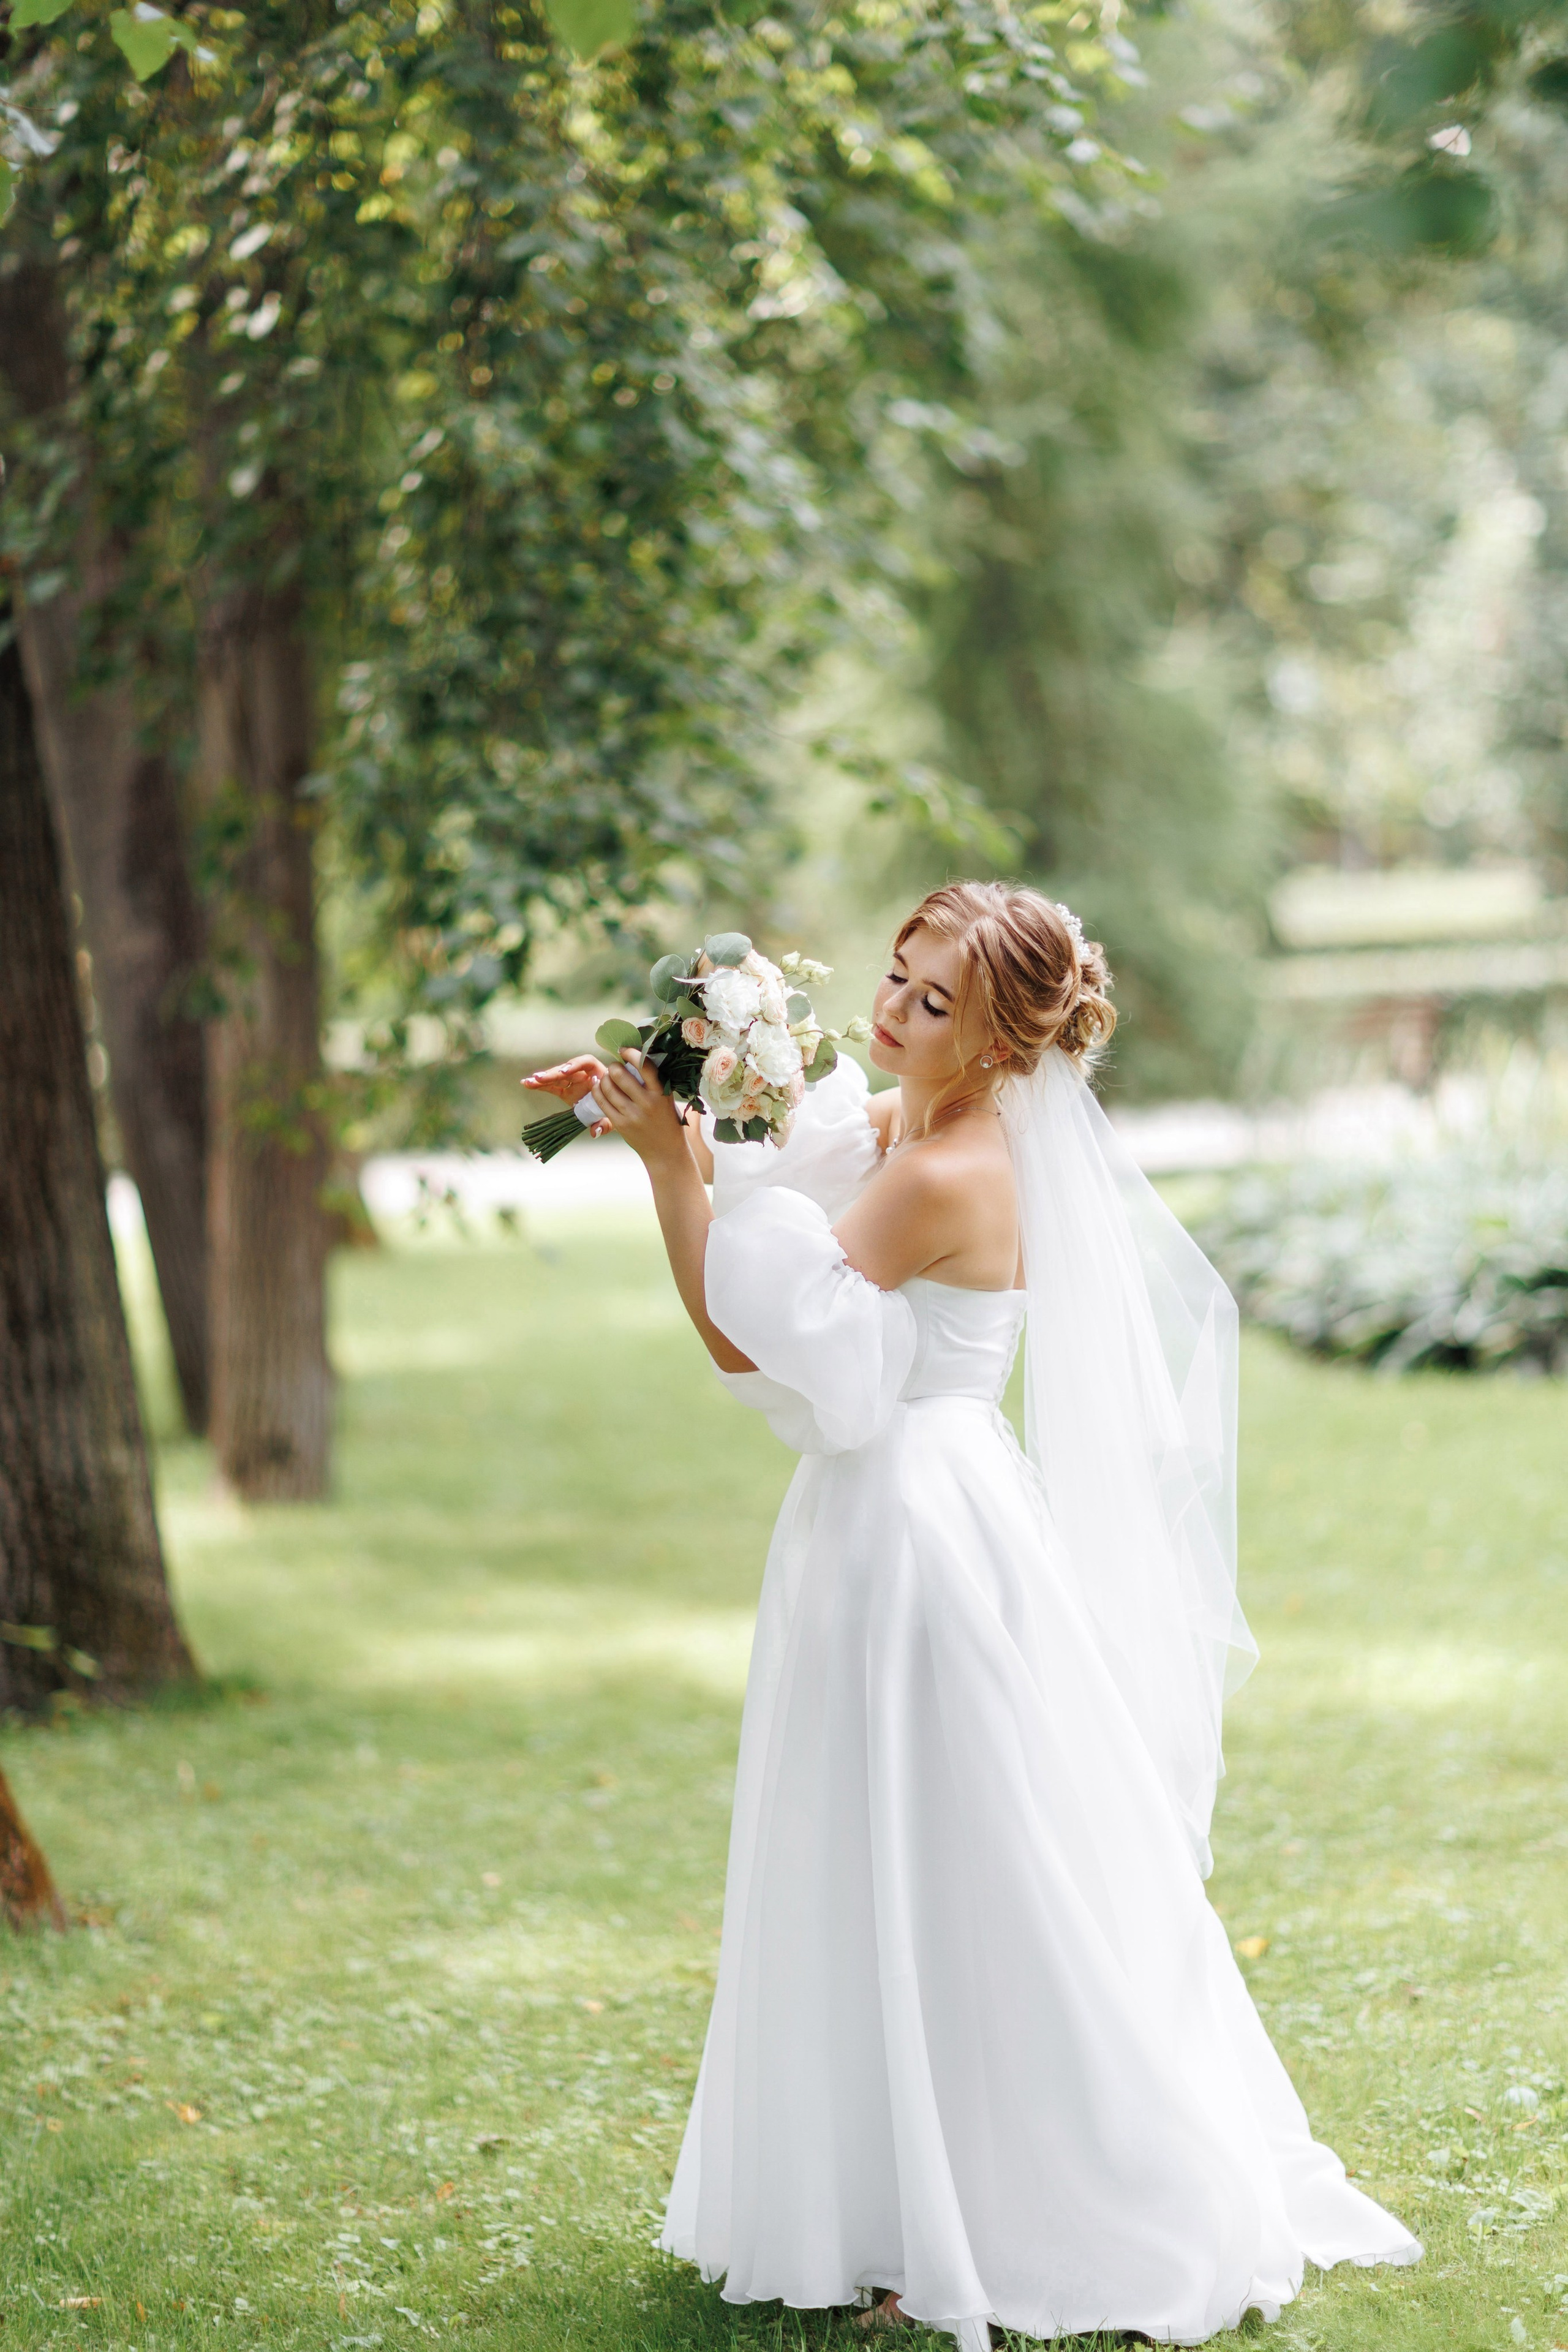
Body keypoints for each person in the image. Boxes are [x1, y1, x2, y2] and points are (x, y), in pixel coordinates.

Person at [524, 881, 1420, 2348]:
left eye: (933, 1003)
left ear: (1004, 1043)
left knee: (939, 1868)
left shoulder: (943, 1177)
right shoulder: (914, 1134)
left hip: (911, 1541)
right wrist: (689, 1092)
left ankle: (989, 2211)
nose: (887, 1011)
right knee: (909, 1854)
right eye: (893, 975)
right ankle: (897, 2192)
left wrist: (670, 1177)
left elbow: (743, 1332)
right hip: (916, 1510)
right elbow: (812, 1180)